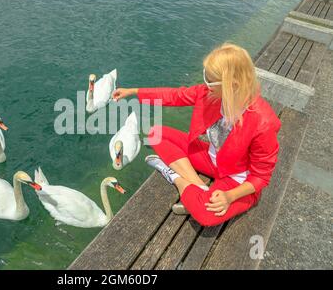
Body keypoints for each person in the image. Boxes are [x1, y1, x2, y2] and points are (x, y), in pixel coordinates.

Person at [112, 43, 281, 227]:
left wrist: (229, 196)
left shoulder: (263, 122)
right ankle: (199, 187)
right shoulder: (211, 94)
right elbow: (176, 95)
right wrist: (134, 91)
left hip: (238, 179)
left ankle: (175, 177)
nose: (205, 84)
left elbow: (261, 177)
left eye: (210, 81)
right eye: (205, 77)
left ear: (232, 85)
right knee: (155, 134)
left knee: (206, 216)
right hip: (212, 159)